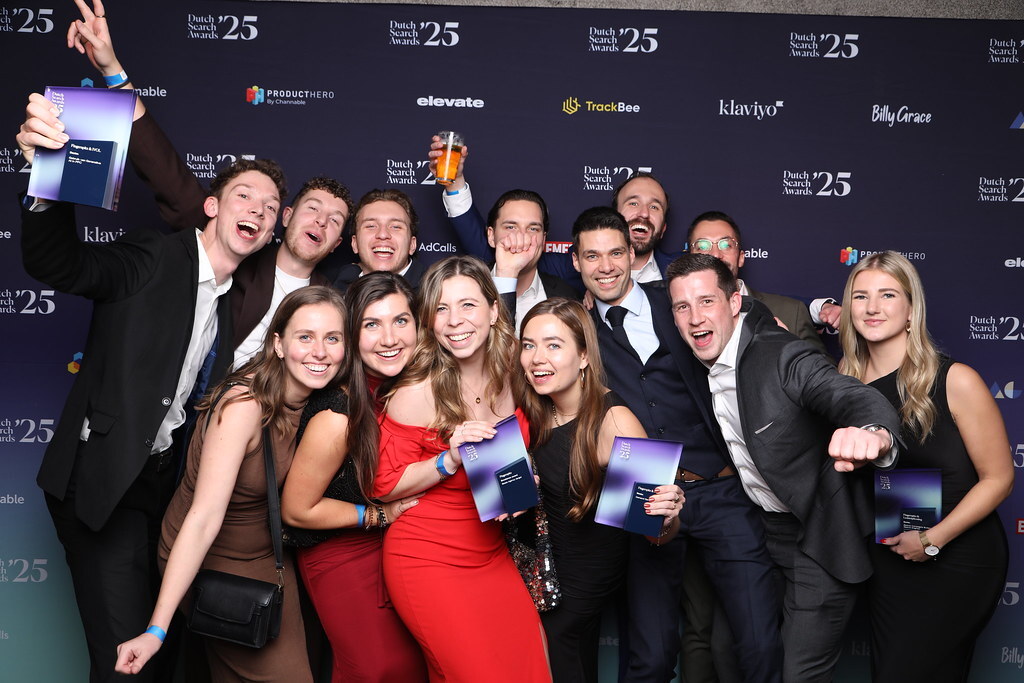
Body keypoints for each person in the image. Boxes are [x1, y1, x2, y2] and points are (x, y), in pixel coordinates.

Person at [19, 71, 285, 678]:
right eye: (245, 196)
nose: (258, 210)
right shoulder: (153, 256)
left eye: (270, 208)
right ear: (212, 206)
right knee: (124, 660)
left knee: (156, 652)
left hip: (159, 492)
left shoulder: (228, 304)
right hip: (102, 483)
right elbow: (60, 263)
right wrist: (46, 188)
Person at [45, 2, 353, 371]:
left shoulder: (330, 299)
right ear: (285, 217)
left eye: (335, 220)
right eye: (313, 209)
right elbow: (165, 172)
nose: (320, 221)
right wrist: (114, 72)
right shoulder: (237, 251)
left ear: (338, 243)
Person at [666, 253, 902, 683]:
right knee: (728, 650)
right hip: (761, 531)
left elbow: (845, 393)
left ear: (734, 302)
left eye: (706, 301)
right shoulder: (703, 357)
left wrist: (874, 432)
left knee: (800, 673)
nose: (695, 317)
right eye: (682, 306)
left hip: (819, 534)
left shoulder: (782, 354)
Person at [570, 208, 782, 683]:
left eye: (615, 253)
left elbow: (749, 322)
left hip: (721, 485)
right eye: (592, 256)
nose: (605, 266)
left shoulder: (677, 300)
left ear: (633, 254)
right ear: (576, 262)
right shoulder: (577, 328)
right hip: (641, 488)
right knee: (650, 653)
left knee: (758, 641)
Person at [111, 286, 345, 680]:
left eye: (332, 338)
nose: (319, 351)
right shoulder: (244, 406)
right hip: (209, 556)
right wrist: (156, 630)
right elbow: (202, 518)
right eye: (305, 337)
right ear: (279, 344)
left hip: (269, 556)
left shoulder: (322, 397)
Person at [373, 256, 551, 681]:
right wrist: (448, 459)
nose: (455, 320)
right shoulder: (416, 392)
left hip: (491, 552)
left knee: (532, 669)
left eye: (468, 305)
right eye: (441, 308)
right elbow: (383, 486)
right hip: (426, 557)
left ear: (493, 310)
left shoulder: (514, 370)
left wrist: (523, 482)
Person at [838, 251, 1012, 682]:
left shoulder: (955, 379)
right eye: (860, 296)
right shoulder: (843, 381)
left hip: (956, 557)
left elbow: (999, 478)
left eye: (887, 295)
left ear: (911, 309)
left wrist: (932, 540)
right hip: (889, 560)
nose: (872, 307)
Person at [518, 298, 683, 683]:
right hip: (538, 580)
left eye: (554, 345)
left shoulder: (615, 421)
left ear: (583, 356)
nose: (537, 358)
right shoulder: (535, 408)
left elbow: (655, 532)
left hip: (577, 591)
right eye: (528, 345)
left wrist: (666, 516)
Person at [280, 273, 428, 683]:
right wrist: (379, 516)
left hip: (395, 550)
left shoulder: (407, 391)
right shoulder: (338, 414)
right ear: (351, 336)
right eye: (371, 324)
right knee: (377, 670)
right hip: (341, 555)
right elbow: (297, 510)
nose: (389, 338)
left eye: (400, 321)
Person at [432, 138, 680, 285]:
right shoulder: (576, 264)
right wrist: (455, 184)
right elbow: (491, 253)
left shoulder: (681, 270)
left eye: (655, 206)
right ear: (612, 218)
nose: (644, 213)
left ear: (664, 227)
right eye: (633, 203)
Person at [686, 210, 827, 356]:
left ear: (741, 257)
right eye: (702, 246)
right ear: (689, 259)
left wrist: (789, 354)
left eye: (726, 245)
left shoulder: (791, 313)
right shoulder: (679, 319)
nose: (715, 254)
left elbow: (824, 370)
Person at [325, 189, 426, 291]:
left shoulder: (432, 292)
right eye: (371, 226)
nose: (383, 234)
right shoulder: (333, 288)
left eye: (395, 227)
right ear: (355, 243)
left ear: (412, 244)